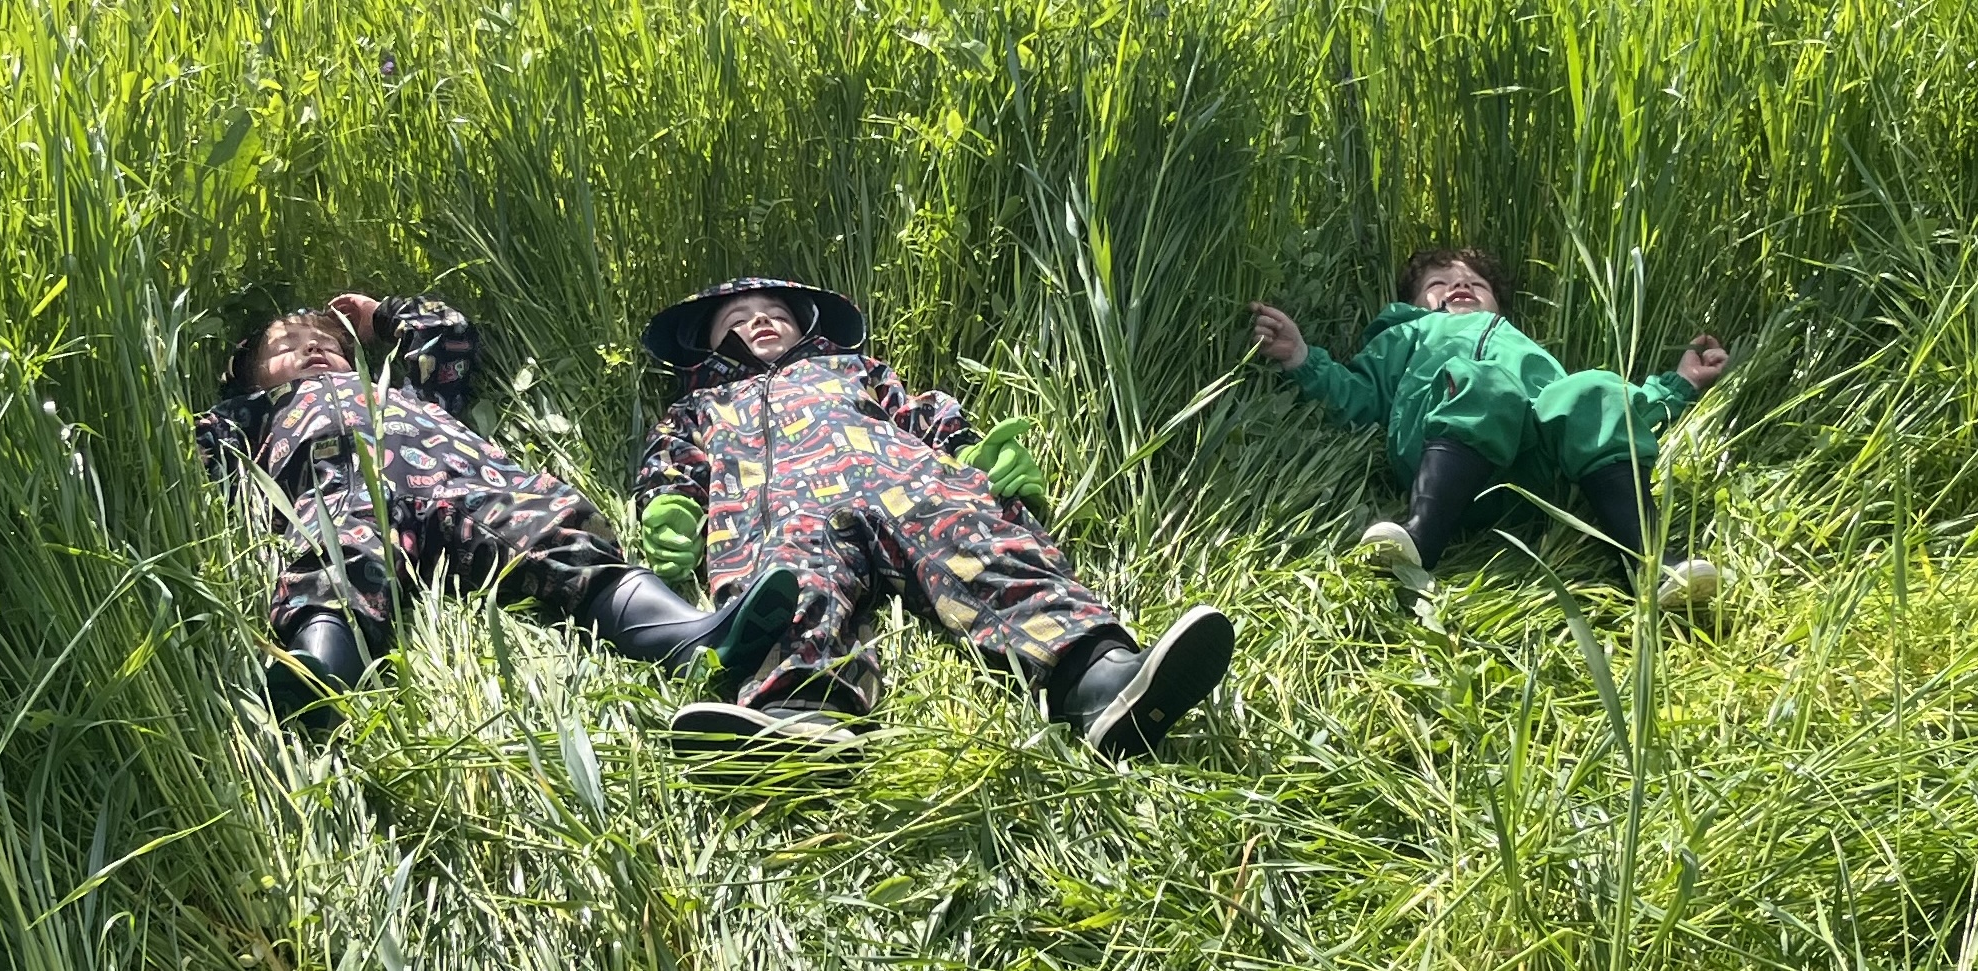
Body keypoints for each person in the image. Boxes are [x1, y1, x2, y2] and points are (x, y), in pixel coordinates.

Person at [631, 278, 1237, 759]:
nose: (756, 321)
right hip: (778, 506)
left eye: (773, 312)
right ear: (705, 347)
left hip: (905, 479)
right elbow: (671, 464)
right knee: (785, 587)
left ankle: (1098, 679)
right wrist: (669, 508)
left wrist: (976, 452)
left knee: (979, 541)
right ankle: (796, 715)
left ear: (805, 326)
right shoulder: (700, 405)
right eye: (734, 320)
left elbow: (923, 413)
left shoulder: (853, 370)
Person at [196, 292, 801, 730]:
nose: (316, 351)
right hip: (347, 484)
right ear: (248, 375)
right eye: (291, 348)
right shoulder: (255, 411)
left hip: (463, 478)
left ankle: (685, 634)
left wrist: (379, 317)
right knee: (338, 554)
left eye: (327, 343)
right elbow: (198, 455)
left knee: (553, 530)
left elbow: (448, 334)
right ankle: (325, 667)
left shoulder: (402, 389)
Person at [1247, 248, 1728, 607]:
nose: (1459, 285)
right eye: (1438, 281)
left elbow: (1610, 412)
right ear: (1414, 303)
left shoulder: (1527, 350)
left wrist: (1680, 384)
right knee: (1484, 381)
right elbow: (1358, 396)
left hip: (1528, 478)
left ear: (1497, 303)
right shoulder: (1404, 336)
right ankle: (1421, 536)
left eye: (1475, 282)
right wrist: (1301, 357)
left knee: (1594, 387)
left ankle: (1648, 562)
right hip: (1436, 449)